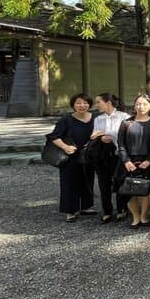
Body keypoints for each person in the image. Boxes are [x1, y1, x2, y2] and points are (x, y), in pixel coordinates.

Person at [48, 93, 95, 222]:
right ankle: (70, 211)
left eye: (85, 103)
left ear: (89, 105)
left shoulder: (95, 118)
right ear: (73, 105)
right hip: (70, 156)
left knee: (87, 180)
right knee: (69, 183)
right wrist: (65, 147)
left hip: (88, 156)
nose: (82, 105)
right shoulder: (66, 119)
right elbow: (53, 136)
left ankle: (86, 206)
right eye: (78, 103)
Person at [116, 94, 150, 228]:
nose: (141, 107)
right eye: (138, 104)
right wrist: (126, 160)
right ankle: (135, 216)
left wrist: (149, 160)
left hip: (147, 161)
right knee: (129, 190)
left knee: (145, 191)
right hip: (128, 161)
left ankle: (144, 216)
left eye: (144, 104)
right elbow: (120, 143)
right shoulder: (126, 122)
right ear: (134, 106)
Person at [91, 93, 130, 222]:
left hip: (119, 154)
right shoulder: (98, 119)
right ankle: (107, 210)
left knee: (120, 181)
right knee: (103, 184)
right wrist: (101, 137)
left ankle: (122, 209)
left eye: (98, 102)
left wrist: (106, 134)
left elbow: (127, 135)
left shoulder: (124, 116)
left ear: (108, 103)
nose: (97, 105)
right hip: (102, 155)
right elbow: (93, 135)